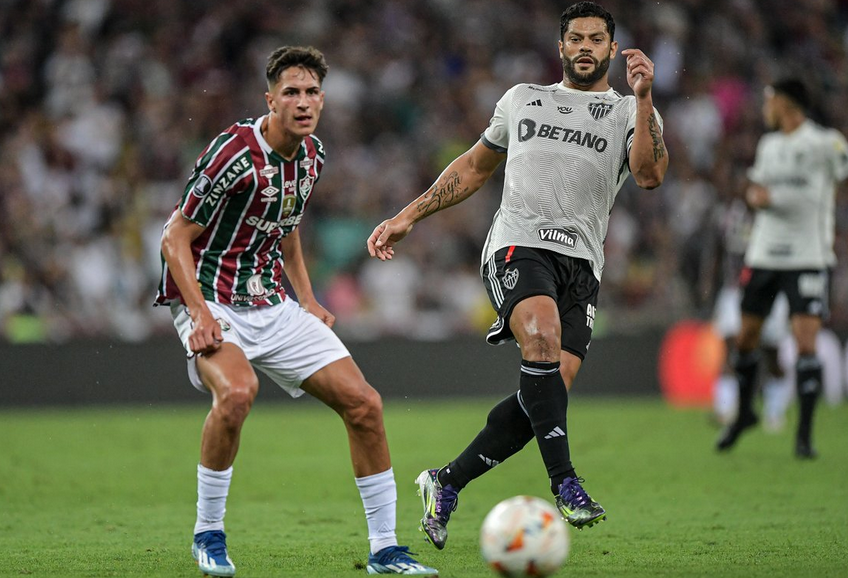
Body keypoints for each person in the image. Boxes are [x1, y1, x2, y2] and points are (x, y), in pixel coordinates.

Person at [367, 1, 667, 550]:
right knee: (542, 338)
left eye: (595, 39)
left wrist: (645, 98)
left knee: (548, 391)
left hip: (583, 265)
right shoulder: (523, 99)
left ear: (612, 47)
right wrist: (407, 215)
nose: (584, 47)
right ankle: (566, 483)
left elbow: (649, 175)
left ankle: (445, 481)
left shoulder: (630, 111)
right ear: (560, 47)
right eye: (574, 38)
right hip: (517, 245)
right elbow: (475, 167)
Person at [155, 46, 437, 577]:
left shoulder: (312, 156)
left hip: (272, 301)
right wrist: (199, 314)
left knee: (365, 405)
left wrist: (306, 298)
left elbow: (286, 229)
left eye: (311, 93)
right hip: (212, 296)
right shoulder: (233, 152)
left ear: (323, 101)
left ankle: (384, 549)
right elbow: (174, 237)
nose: (302, 102)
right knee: (238, 393)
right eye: (291, 92)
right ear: (270, 100)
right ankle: (208, 535)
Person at [716, 78, 848, 458]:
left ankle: (804, 436)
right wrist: (757, 195)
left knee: (805, 344)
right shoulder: (769, 145)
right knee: (744, 338)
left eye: (769, 100)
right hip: (764, 255)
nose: (764, 107)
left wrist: (772, 197)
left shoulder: (824, 143)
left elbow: (823, 184)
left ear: (786, 104)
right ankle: (744, 414)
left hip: (807, 255)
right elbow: (756, 190)